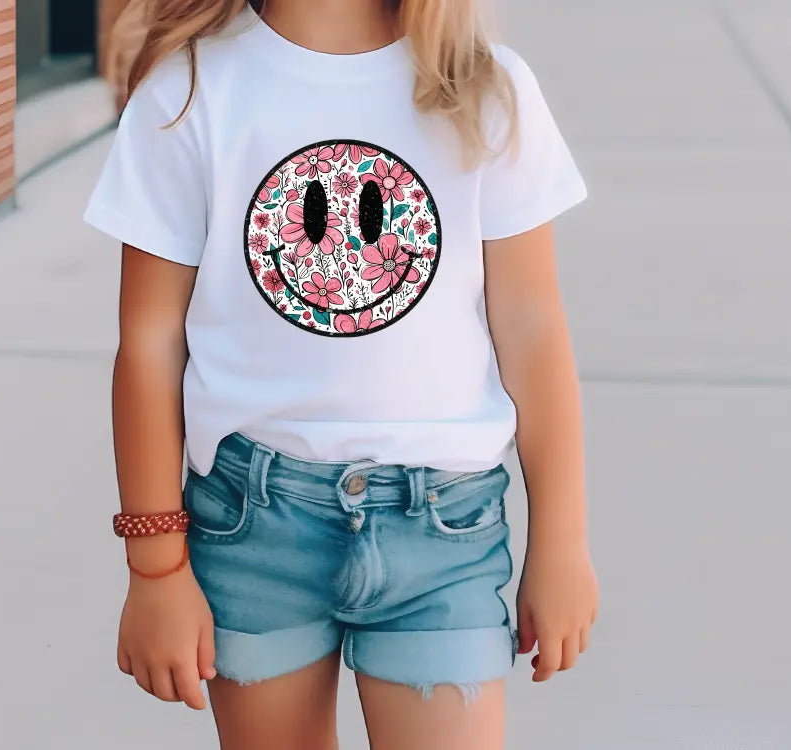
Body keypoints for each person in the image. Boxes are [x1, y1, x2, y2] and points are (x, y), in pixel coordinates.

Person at [84, 1, 599, 747]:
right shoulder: (189, 88)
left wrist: (562, 541)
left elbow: (533, 328)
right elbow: (149, 340)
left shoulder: (485, 89)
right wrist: (155, 569)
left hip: (442, 532)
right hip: (253, 526)